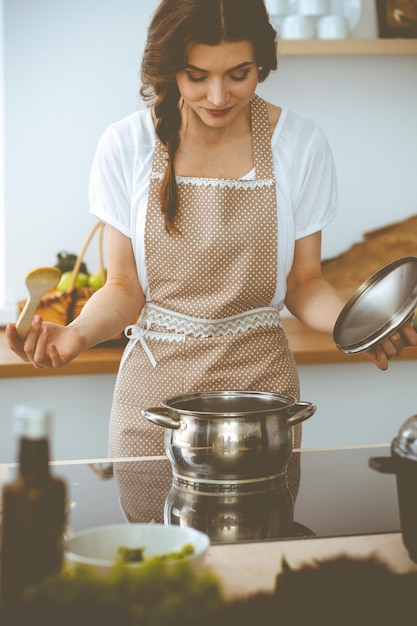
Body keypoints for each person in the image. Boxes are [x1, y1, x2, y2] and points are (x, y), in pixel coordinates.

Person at [6, 0, 417, 497]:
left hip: (262, 400)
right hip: (152, 402)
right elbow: (123, 289)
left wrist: (357, 328)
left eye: (239, 74)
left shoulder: (300, 143)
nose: (218, 95)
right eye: (196, 75)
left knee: (262, 557)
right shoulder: (127, 144)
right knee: (159, 567)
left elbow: (304, 285)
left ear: (261, 63)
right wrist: (75, 334)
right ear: (168, 68)